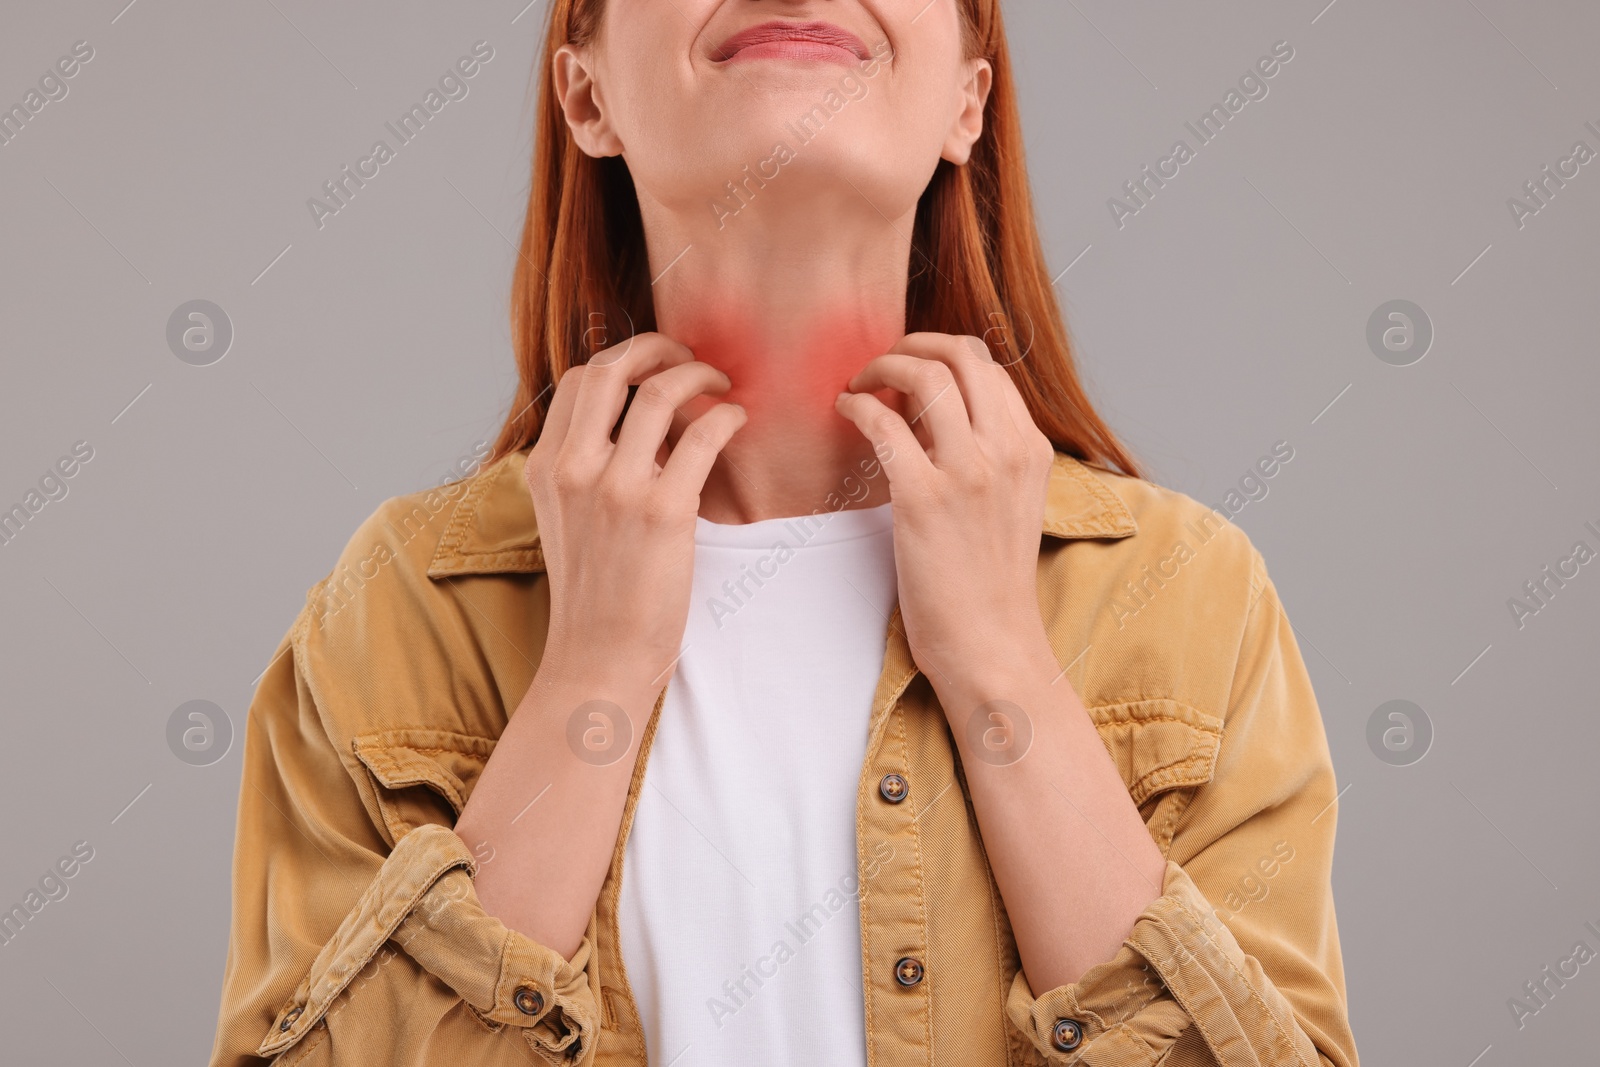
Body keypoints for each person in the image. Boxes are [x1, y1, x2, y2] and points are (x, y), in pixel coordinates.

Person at [209, 1, 1360, 1064]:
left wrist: (1003, 663)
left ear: (970, 96)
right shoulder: (407, 600)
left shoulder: (1184, 591)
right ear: (585, 96)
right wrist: (589, 677)